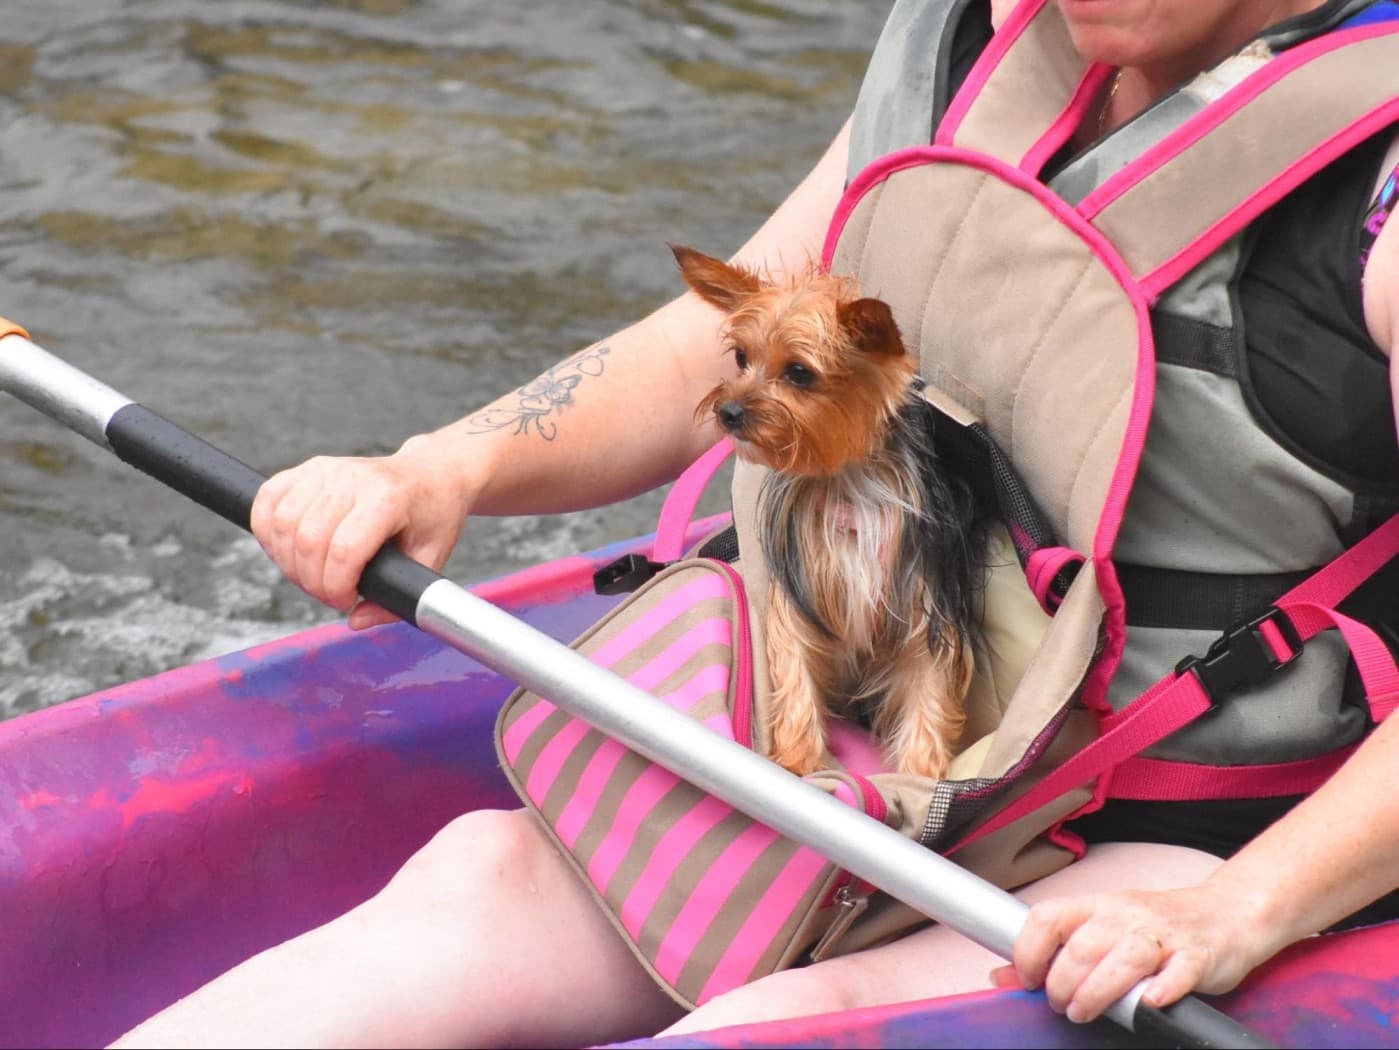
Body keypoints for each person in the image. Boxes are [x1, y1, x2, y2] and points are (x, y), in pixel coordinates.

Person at [114, 0, 1399, 1046]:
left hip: (1176, 827)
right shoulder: (972, 46)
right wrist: (445, 466)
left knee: (787, 1026)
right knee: (479, 882)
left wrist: (1243, 908)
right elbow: (709, 351)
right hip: (878, 732)